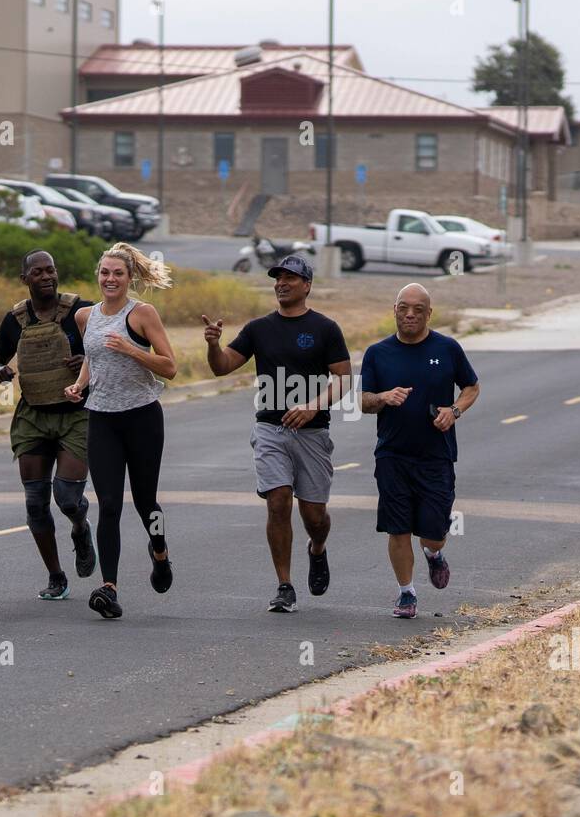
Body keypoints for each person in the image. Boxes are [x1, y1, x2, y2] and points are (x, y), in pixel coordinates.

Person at [202, 254, 352, 613]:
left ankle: (317, 549)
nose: (281, 283)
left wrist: (314, 405)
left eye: (290, 277)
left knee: (315, 515)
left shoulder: (325, 328)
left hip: (313, 433)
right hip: (270, 428)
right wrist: (212, 344)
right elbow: (222, 367)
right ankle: (284, 585)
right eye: (278, 277)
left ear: (307, 285)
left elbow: (344, 378)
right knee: (279, 500)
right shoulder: (259, 328)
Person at [64, 243, 177, 619]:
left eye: (118, 274)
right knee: (108, 504)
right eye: (105, 273)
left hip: (142, 416)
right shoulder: (85, 317)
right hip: (102, 419)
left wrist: (132, 350)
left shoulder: (142, 314)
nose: (110, 279)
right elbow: (94, 359)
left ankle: (159, 552)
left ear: (130, 279)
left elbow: (169, 367)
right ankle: (108, 588)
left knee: (147, 503)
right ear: (98, 276)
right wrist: (81, 385)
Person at [360, 284, 480, 619]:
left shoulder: (447, 348)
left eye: (417, 309)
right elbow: (364, 401)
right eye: (403, 308)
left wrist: (453, 411)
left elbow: (471, 386)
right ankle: (406, 594)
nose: (410, 314)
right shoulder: (377, 353)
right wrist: (383, 397)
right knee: (397, 528)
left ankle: (433, 554)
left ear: (429, 313)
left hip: (435, 456)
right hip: (392, 455)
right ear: (394, 310)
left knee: (433, 533)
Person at [0, 250, 96, 600]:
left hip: (76, 413)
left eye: (51, 269)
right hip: (33, 415)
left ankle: (80, 526)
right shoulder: (16, 318)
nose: (47, 276)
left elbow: (114, 343)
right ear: (25, 279)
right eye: (38, 272)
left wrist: (89, 360)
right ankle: (56, 576)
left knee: (66, 498)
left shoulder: (82, 311)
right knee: (35, 502)